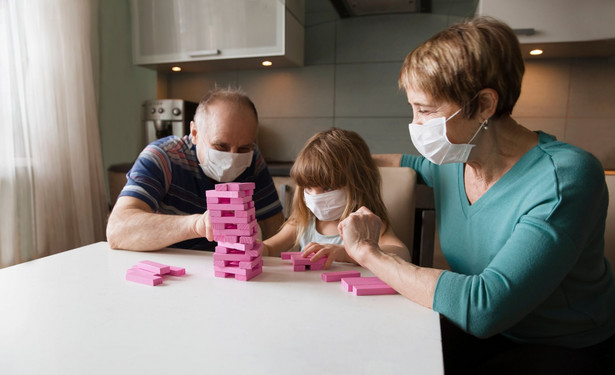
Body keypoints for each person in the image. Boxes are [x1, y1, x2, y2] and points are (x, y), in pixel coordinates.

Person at [338, 17, 615, 374]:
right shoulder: (454, 159)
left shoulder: (566, 178)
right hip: (486, 331)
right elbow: (405, 161)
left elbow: (485, 306)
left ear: (484, 104)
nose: (415, 125)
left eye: (425, 110)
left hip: (562, 344)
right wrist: (340, 159)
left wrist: (369, 254)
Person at [106, 87, 284, 251]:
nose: (232, 158)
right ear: (195, 133)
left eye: (243, 148)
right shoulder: (162, 157)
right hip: (174, 269)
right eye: (221, 147)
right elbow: (117, 231)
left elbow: (274, 226)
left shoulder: (253, 158)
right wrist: (197, 225)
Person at [263, 128, 410, 267]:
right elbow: (269, 248)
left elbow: (402, 254)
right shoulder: (302, 222)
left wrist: (349, 253)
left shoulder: (367, 225)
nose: (315, 197)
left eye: (327, 188)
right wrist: (253, 248)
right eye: (308, 187)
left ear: (357, 186)